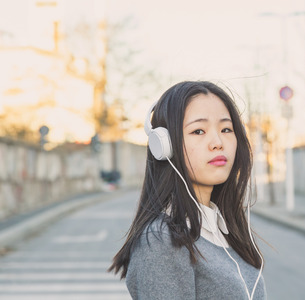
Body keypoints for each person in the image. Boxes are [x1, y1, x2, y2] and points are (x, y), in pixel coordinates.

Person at [108, 81, 266, 299]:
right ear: (164, 146)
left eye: (226, 129)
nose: (218, 142)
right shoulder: (162, 243)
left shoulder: (222, 230)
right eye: (198, 131)